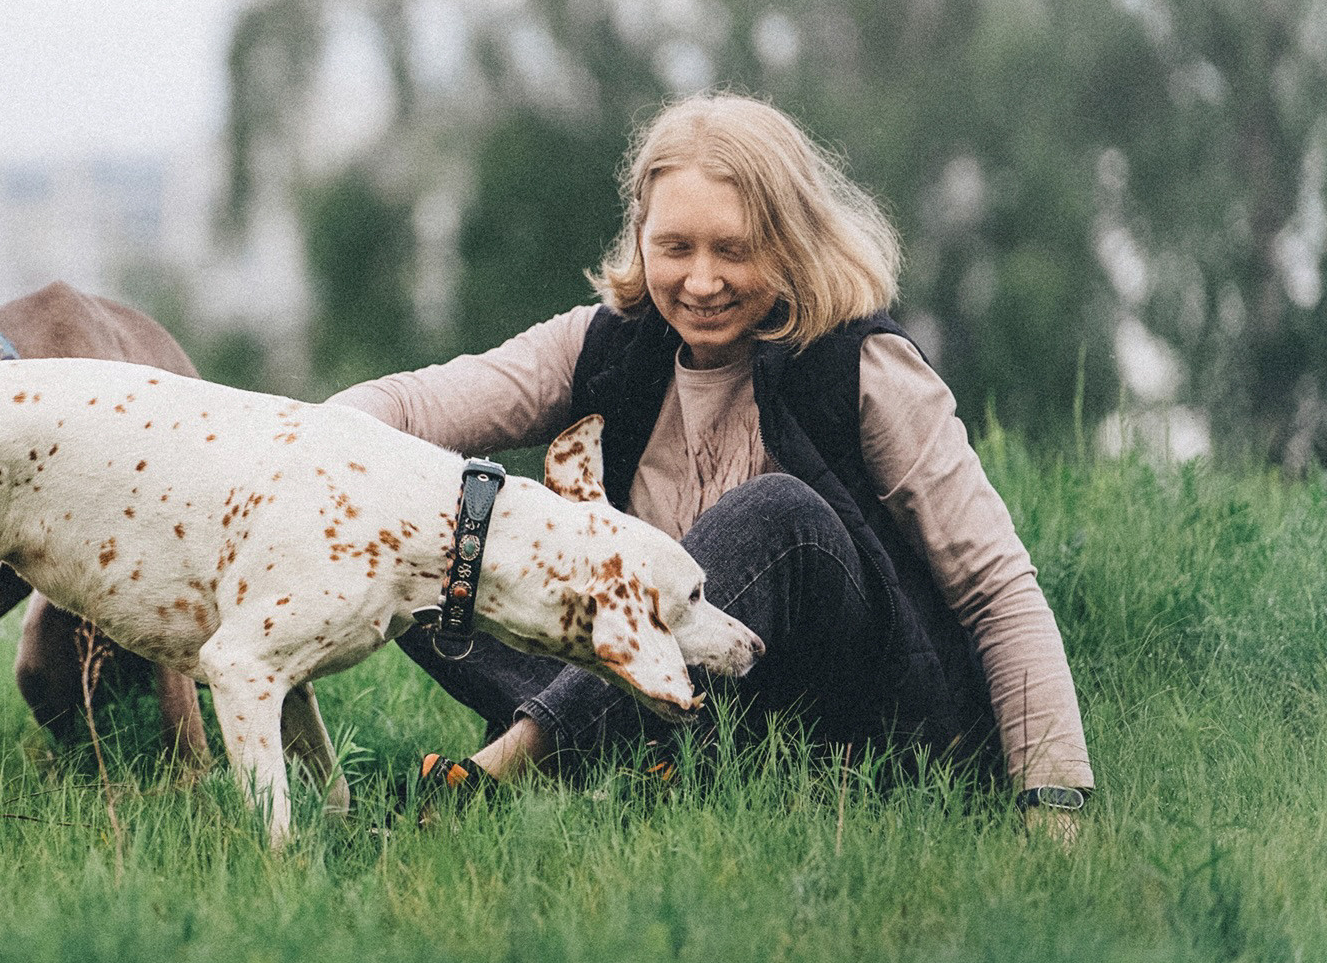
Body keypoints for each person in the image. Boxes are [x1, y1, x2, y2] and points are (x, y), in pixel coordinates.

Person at [328, 93, 1093, 830]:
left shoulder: (863, 365)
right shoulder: (600, 345)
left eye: (734, 249)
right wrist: (292, 459)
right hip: (663, 714)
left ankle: (503, 773)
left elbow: (997, 588)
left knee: (777, 513)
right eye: (675, 247)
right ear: (641, 238)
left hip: (847, 735)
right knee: (447, 526)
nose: (701, 281)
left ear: (790, 241)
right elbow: (407, 408)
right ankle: (625, 777)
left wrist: (1054, 805)